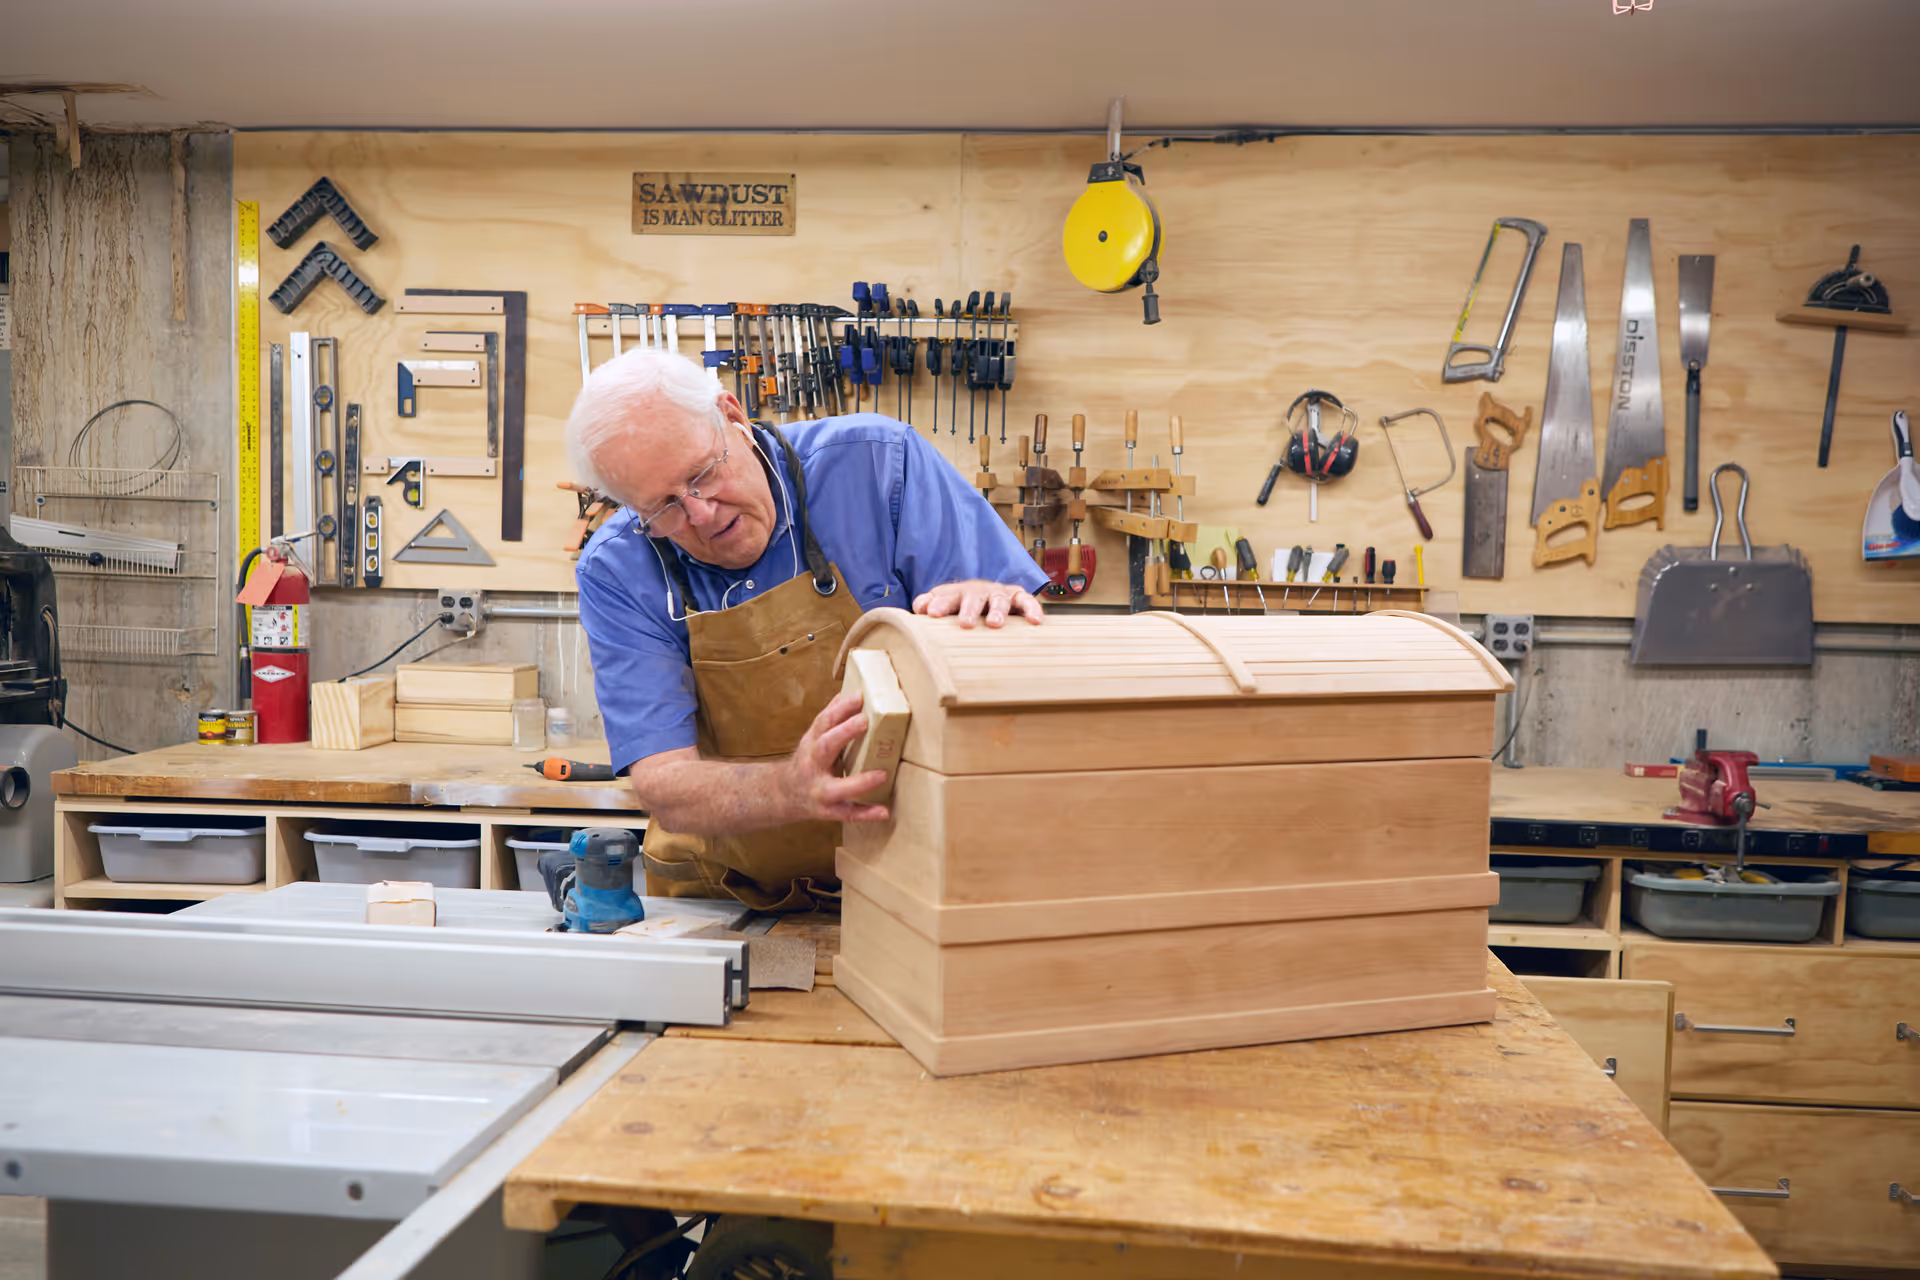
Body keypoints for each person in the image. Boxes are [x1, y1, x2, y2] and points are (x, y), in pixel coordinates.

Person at [567, 349, 1049, 911]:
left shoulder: (880, 464)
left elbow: (1018, 694)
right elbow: (665, 785)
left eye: (701, 475)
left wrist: (997, 625)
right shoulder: (616, 567)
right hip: (730, 893)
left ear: (734, 417)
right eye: (662, 508)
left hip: (920, 885)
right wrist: (791, 789)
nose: (699, 514)